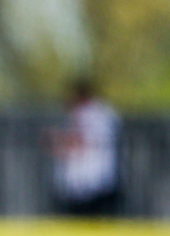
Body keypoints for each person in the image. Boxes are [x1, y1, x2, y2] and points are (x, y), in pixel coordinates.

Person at [49, 79, 121, 216]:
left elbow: (79, 141)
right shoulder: (106, 112)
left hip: (88, 181)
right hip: (102, 178)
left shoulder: (87, 114)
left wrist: (56, 140)